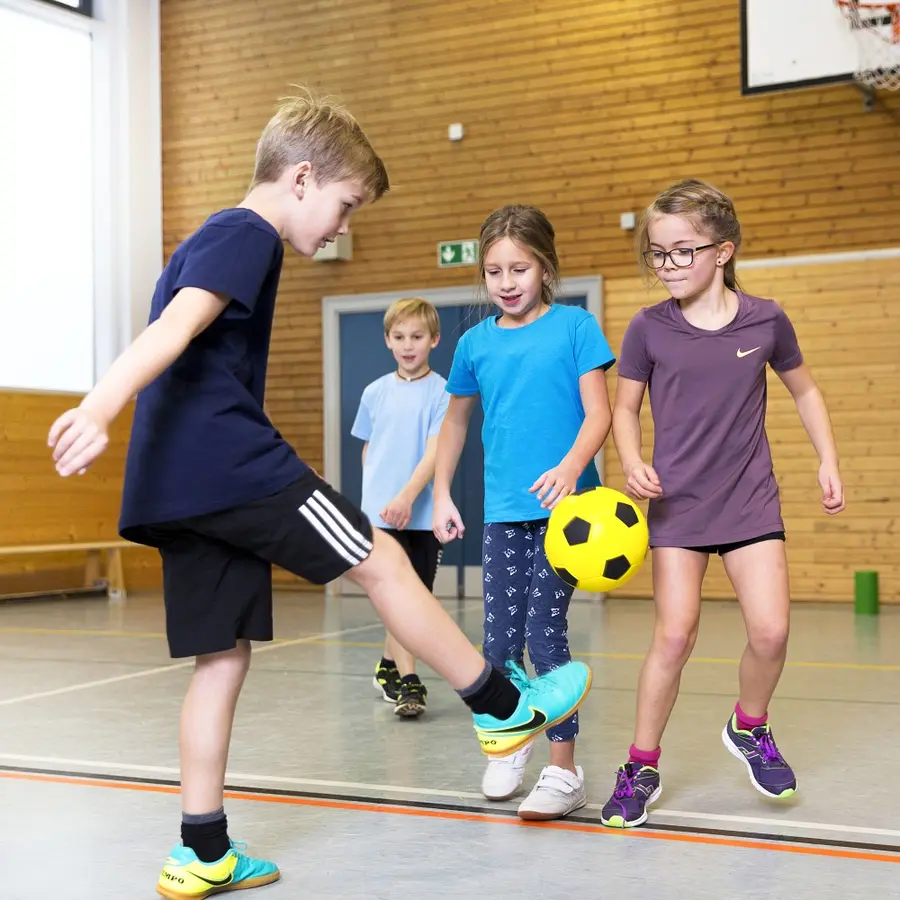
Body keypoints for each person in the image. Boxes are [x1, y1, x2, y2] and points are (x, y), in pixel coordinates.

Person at [46, 90, 593, 898]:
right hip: (228, 462)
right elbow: (176, 327)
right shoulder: (245, 234)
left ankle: (200, 850)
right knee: (379, 559)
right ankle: (499, 703)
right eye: (343, 207)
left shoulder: (209, 235)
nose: (341, 228)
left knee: (220, 658)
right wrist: (99, 403)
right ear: (301, 179)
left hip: (173, 482)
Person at [600, 178, 845, 829]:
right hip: (678, 508)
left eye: (683, 251)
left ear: (723, 251)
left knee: (771, 630)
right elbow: (624, 407)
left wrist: (827, 458)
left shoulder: (766, 320)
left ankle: (749, 725)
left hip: (749, 502)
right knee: (675, 635)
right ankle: (641, 765)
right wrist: (632, 460)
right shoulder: (648, 328)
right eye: (658, 253)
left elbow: (807, 392)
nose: (668, 266)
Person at [433, 204, 615, 821]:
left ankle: (564, 771)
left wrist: (569, 470)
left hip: (570, 517)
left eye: (520, 268)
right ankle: (510, 737)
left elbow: (600, 414)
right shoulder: (474, 344)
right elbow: (454, 423)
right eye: (493, 272)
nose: (506, 283)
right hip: (505, 512)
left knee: (545, 633)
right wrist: (439, 491)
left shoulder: (575, 327)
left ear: (546, 268)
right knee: (500, 639)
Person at [351, 297, 448, 717]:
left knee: (416, 600)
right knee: (397, 599)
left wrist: (407, 497)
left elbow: (434, 453)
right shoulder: (374, 392)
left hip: (420, 514)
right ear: (388, 341)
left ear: (434, 340)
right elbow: (369, 451)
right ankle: (409, 683)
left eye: (417, 337)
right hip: (379, 517)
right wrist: (374, 503)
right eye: (399, 337)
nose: (408, 345)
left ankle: (388, 666)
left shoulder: (444, 391)